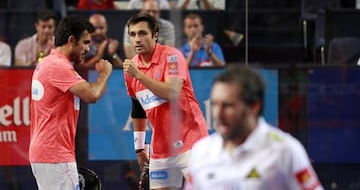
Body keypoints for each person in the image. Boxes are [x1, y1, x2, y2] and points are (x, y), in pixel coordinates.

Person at [185, 64, 324, 190]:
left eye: (228, 106)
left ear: (254, 106)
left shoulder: (285, 150)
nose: (218, 114)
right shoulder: (201, 151)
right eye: (215, 104)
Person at [123, 13, 208, 190]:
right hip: (160, 148)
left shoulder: (172, 57)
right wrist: (139, 147)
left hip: (191, 142)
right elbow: (137, 107)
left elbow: (172, 91)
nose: (137, 39)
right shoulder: (131, 67)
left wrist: (139, 74)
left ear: (155, 35)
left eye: (142, 33)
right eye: (132, 34)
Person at [29, 15, 113, 190]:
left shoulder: (49, 63)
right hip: (55, 155)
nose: (87, 48)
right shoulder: (58, 66)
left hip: (47, 154)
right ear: (71, 40)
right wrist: (105, 73)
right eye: (85, 42)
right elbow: (92, 95)